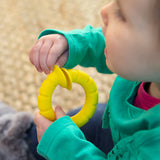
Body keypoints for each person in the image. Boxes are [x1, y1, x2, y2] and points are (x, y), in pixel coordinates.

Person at [29, 0, 160, 159]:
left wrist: (66, 149)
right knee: (45, 133)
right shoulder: (148, 63)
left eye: (121, 14)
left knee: (54, 139)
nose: (104, 10)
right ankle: (21, 136)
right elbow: (122, 50)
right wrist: (74, 44)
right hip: (113, 125)